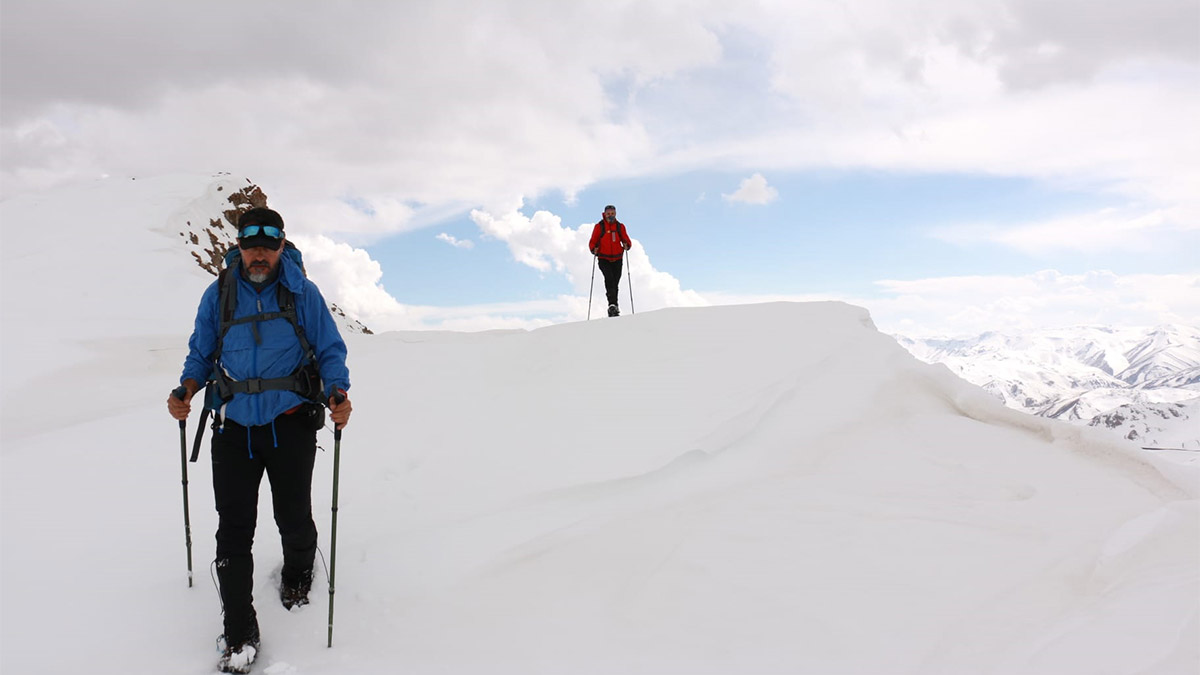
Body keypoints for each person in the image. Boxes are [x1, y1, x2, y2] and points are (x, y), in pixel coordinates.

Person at [166, 207, 352, 673]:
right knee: (233, 530)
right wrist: (187, 389)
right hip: (231, 429)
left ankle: (296, 575)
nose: (260, 254)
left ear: (281, 246)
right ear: (240, 247)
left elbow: (330, 349)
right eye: (252, 245)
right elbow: (201, 352)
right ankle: (239, 632)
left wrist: (337, 391)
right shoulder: (219, 295)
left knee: (292, 513)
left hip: (288, 423)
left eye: (269, 246)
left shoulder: (302, 293)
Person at [588, 204, 632, 317]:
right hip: (603, 258)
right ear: (604, 214)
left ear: (615, 213)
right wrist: (594, 249)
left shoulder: (619, 226)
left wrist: (627, 245)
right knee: (609, 279)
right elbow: (592, 241)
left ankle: (614, 307)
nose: (610, 216)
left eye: (612, 213)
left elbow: (626, 239)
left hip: (617, 258)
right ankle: (612, 305)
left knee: (615, 282)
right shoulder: (600, 226)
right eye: (608, 214)